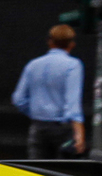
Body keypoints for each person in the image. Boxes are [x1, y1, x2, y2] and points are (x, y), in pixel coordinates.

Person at [13, 24, 87, 158]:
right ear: (71, 44)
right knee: (63, 173)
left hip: (38, 126)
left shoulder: (33, 65)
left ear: (50, 42)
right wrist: (79, 134)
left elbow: (19, 99)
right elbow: (73, 102)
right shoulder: (73, 65)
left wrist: (36, 112)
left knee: (37, 171)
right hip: (62, 128)